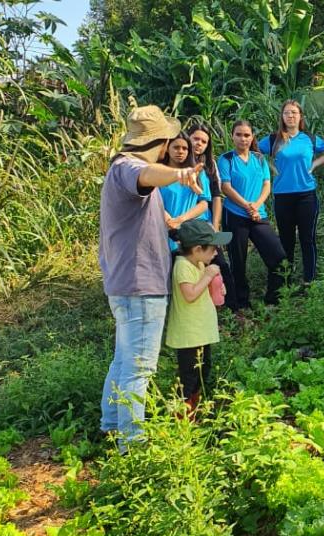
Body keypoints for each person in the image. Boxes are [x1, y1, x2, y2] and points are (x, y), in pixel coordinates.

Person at [99, 105, 203, 449]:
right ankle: (132, 445)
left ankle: (112, 425)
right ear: (159, 142)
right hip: (140, 286)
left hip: (127, 283)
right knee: (139, 369)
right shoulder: (129, 168)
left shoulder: (120, 168)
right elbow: (145, 177)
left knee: (124, 360)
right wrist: (179, 175)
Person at [258, 100, 324, 285]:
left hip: (306, 195)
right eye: (286, 113)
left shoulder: (309, 138)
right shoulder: (273, 139)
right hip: (283, 196)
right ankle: (286, 282)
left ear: (300, 116)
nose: (290, 116)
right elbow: (254, 152)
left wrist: (314, 165)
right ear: (282, 117)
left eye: (294, 113)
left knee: (307, 239)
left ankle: (309, 280)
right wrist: (270, 168)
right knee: (286, 240)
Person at [165, 219, 231, 415]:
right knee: (188, 375)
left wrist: (217, 285)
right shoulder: (182, 266)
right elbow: (190, 294)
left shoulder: (200, 264)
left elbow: (204, 290)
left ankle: (195, 407)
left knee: (203, 370)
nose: (216, 253)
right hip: (189, 334)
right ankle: (181, 414)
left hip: (201, 332)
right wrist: (208, 277)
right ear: (196, 249)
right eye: (212, 249)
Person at [218, 120, 286, 308]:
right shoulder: (226, 159)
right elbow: (225, 186)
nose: (243, 138)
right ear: (232, 136)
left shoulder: (259, 159)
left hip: (258, 216)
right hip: (234, 215)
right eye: (238, 134)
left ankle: (273, 300)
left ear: (252, 137)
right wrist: (247, 206)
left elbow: (266, 184)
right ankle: (241, 303)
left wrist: (256, 206)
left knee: (279, 258)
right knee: (238, 261)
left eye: (247, 135)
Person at [187, 122, 235, 304]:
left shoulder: (210, 165)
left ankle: (233, 308)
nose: (199, 143)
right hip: (185, 226)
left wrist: (215, 226)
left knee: (221, 264)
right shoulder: (177, 163)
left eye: (204, 141)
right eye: (196, 139)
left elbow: (216, 197)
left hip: (205, 224)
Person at [159, 132, 210, 252]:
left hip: (190, 231)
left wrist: (181, 220)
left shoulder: (197, 173)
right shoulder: (158, 173)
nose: (180, 151)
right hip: (163, 230)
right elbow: (153, 202)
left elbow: (204, 204)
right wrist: (170, 222)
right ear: (167, 149)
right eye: (176, 147)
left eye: (185, 148)